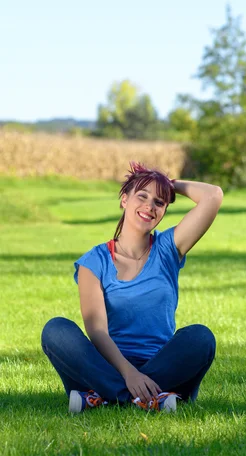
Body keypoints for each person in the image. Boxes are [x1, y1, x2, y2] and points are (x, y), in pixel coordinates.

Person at [41, 162, 223, 413]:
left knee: (201, 337)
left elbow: (213, 196)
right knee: (56, 330)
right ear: (124, 200)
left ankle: (101, 398)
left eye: (159, 202)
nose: (150, 206)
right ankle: (148, 398)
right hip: (104, 367)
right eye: (142, 196)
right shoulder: (94, 262)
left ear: (164, 211)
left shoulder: (168, 248)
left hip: (162, 365)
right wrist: (129, 375)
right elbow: (97, 331)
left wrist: (169, 184)